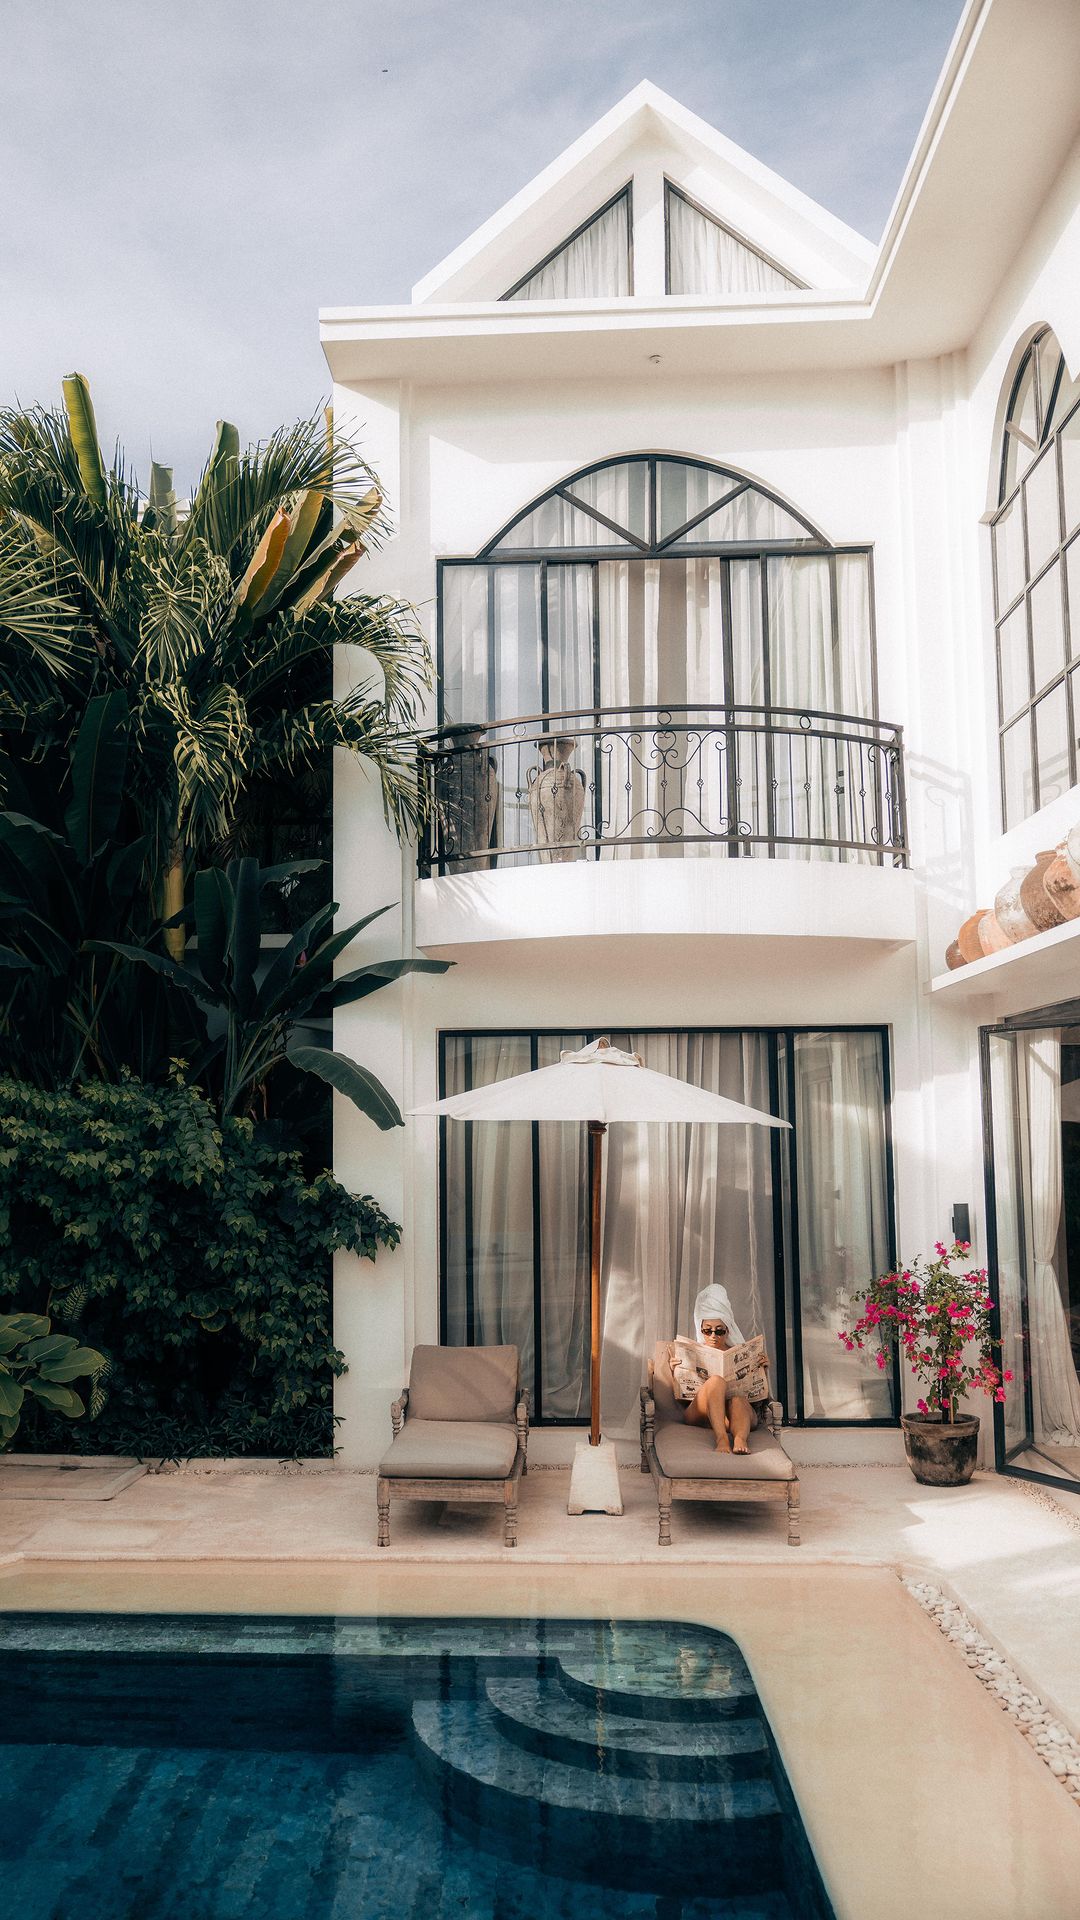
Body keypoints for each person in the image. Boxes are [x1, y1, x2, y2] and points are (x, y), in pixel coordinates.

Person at [669, 1284, 769, 1455]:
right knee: (716, 1381)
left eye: (719, 1331)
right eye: (707, 1331)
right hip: (701, 1413)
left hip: (733, 1415)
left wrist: (762, 1369)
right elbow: (681, 1394)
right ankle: (722, 1438)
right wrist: (675, 1371)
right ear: (701, 1329)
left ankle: (740, 1438)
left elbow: (757, 1393)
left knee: (737, 1400)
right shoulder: (692, 1353)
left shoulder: (740, 1353)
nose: (713, 1336)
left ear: (727, 1330)